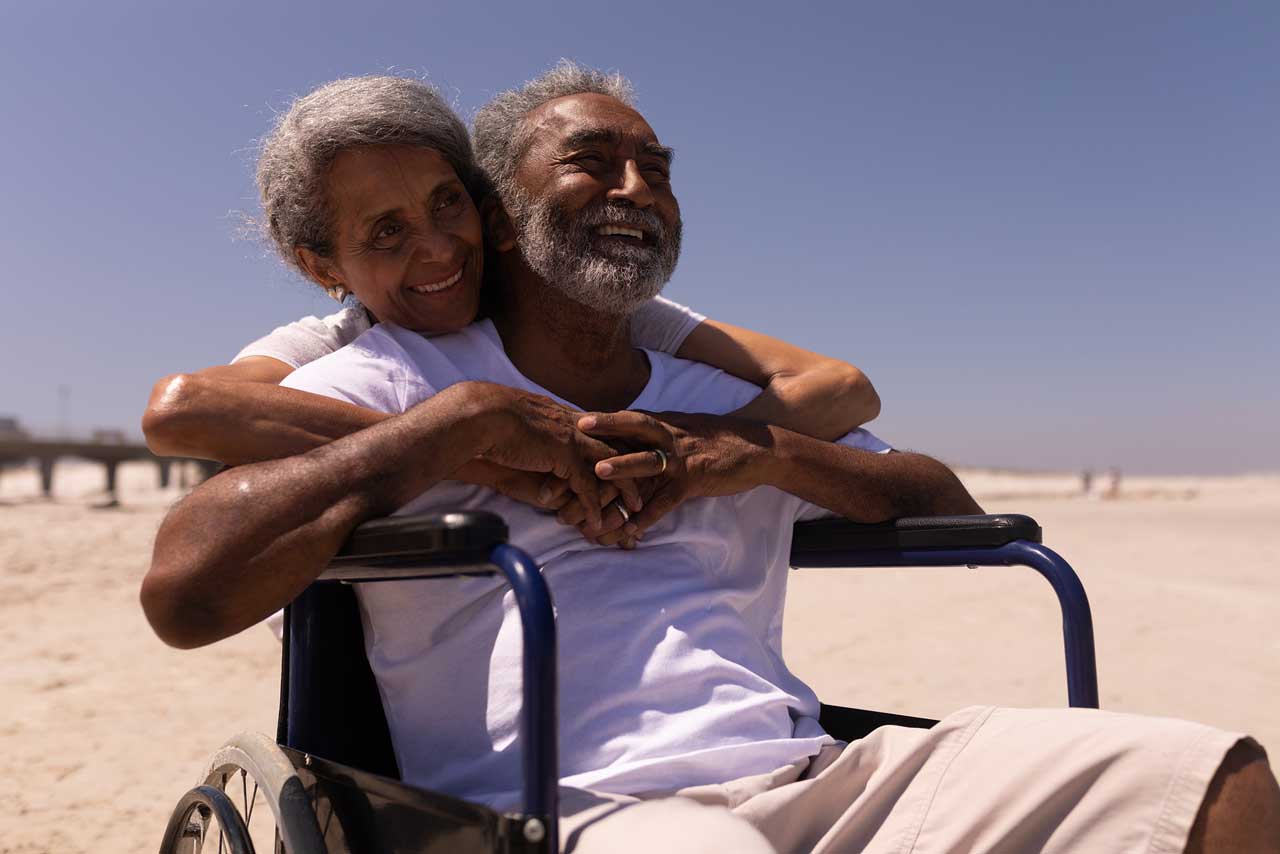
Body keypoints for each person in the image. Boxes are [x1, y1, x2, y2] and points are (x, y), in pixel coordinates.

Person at [142, 64, 1279, 853]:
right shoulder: (401, 375)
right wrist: (457, 430)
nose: (635, 187)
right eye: (593, 162)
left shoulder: (716, 390)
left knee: (1202, 775)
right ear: (502, 213)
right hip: (579, 807)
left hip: (807, 773)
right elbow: (185, 583)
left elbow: (945, 501)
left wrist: (746, 455)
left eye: (655, 166)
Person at [142, 74, 883, 546]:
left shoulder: (574, 307)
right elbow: (183, 410)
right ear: (321, 266)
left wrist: (668, 449)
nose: (438, 251)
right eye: (387, 232)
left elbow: (840, 385)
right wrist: (482, 452)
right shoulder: (341, 341)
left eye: (447, 205)